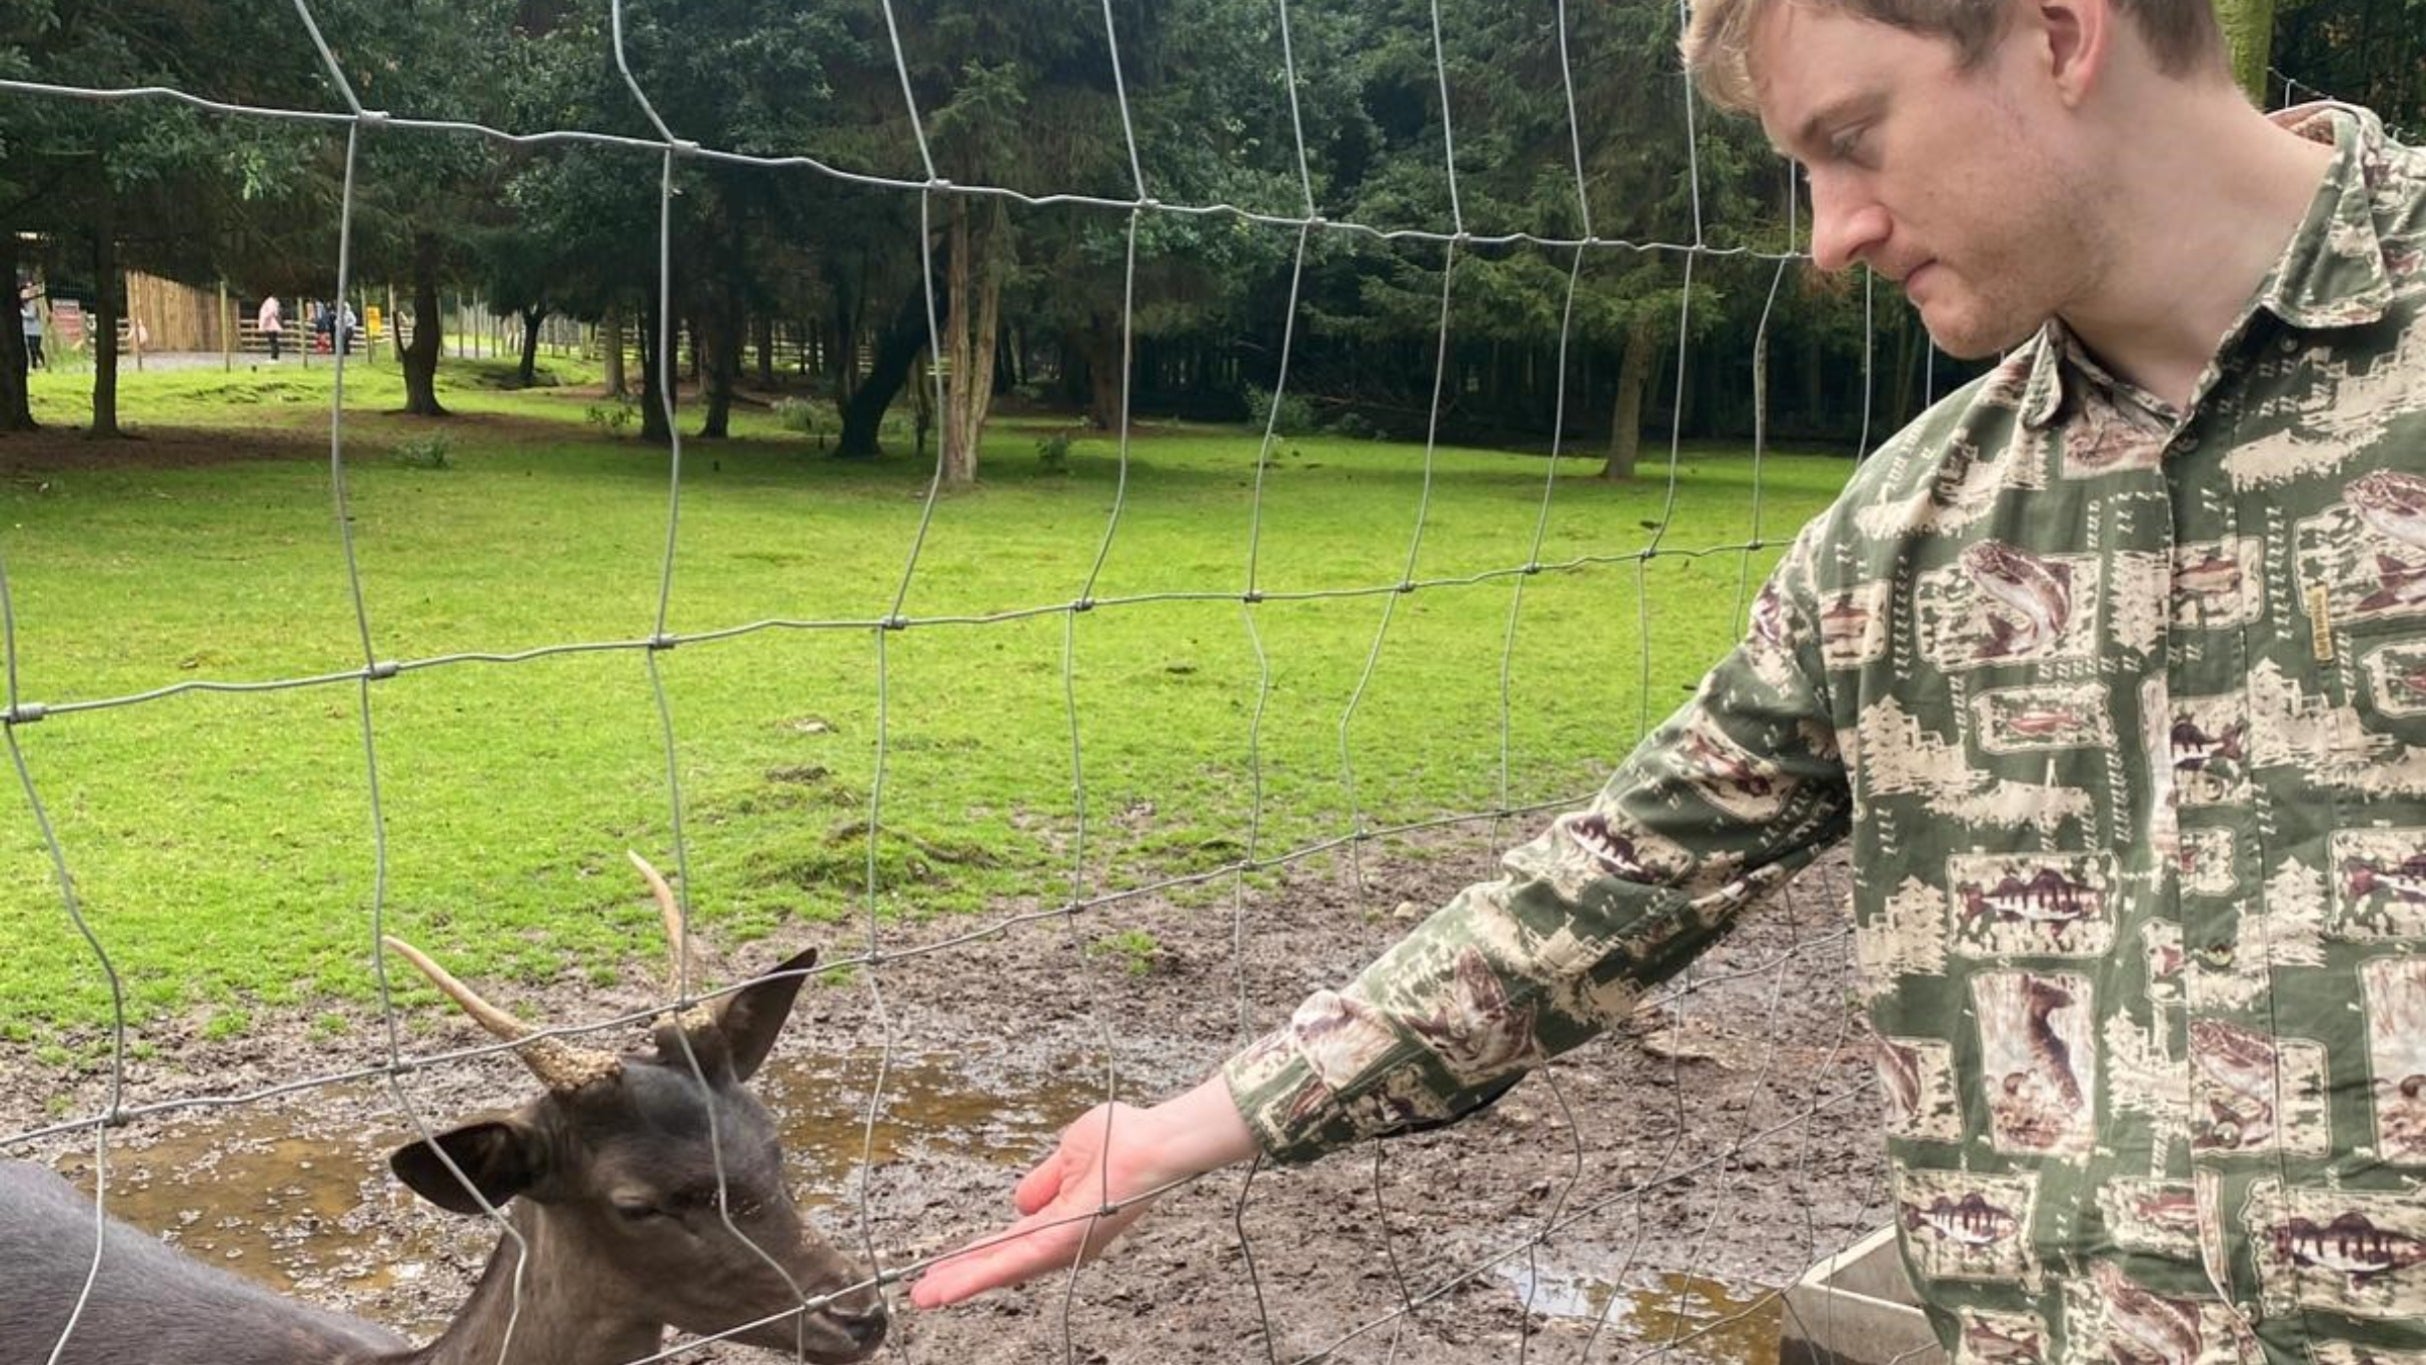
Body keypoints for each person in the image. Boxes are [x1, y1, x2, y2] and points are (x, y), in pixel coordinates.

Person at [912, 1, 2426, 1360]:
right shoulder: (1910, 528)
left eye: (1850, 138)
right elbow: (1612, 880)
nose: (1829, 233)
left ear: (2056, 27)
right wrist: (1182, 1132)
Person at [19, 286, 42, 371]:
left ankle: (41, 363)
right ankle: (33, 366)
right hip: (26, 331)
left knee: (36, 349)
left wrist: (21, 312)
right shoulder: (22, 304)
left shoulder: (32, 304)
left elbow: (31, 315)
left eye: (26, 293)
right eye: (23, 294)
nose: (24, 295)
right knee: (29, 349)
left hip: (35, 331)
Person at [257, 294, 282, 361]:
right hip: (271, 323)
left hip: (271, 324)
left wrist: (264, 320)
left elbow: (271, 312)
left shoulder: (270, 301)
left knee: (273, 340)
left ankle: (274, 357)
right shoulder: (272, 301)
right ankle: (274, 356)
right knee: (273, 340)